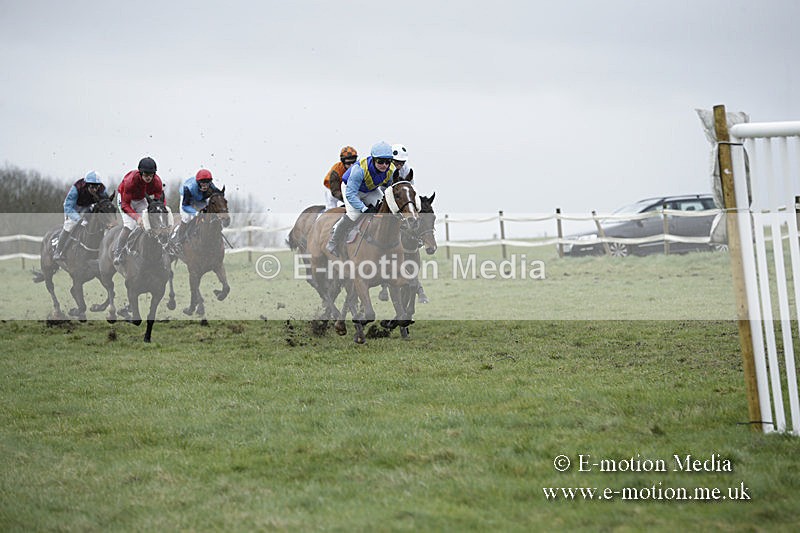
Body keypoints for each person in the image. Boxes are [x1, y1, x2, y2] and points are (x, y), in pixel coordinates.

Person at [326, 141, 395, 256]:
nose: (384, 165)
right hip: (351, 190)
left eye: (388, 162)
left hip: (370, 190)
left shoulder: (391, 170)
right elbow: (350, 195)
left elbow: (390, 189)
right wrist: (364, 209)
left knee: (383, 209)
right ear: (373, 159)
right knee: (355, 214)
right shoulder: (359, 170)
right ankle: (334, 241)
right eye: (380, 161)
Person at [113, 156, 165, 265]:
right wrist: (137, 218)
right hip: (125, 200)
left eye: (150, 175)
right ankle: (118, 252)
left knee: (150, 223)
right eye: (145, 175)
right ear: (140, 173)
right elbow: (125, 205)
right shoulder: (130, 182)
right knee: (130, 225)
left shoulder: (157, 182)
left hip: (141, 199)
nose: (148, 178)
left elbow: (159, 203)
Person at [53, 171, 108, 260]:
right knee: (70, 225)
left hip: (89, 208)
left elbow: (105, 204)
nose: (95, 189)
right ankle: (58, 251)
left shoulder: (102, 189)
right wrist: (78, 219)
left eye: (96, 186)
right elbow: (68, 207)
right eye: (92, 186)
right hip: (74, 209)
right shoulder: (76, 188)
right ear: (86, 185)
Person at [172, 168, 222, 250]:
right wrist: (196, 213)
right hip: (187, 200)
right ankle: (178, 241)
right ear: (198, 182)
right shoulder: (189, 187)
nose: (205, 186)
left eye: (207, 183)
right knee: (187, 218)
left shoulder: (212, 187)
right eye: (202, 183)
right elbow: (185, 206)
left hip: (200, 199)